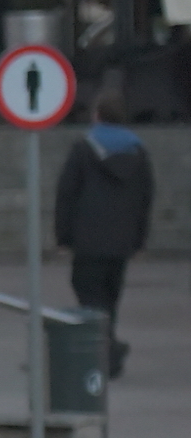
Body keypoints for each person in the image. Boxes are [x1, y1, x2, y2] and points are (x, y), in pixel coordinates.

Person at [54, 91, 154, 378]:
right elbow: (146, 197)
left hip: (87, 239)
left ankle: (107, 351)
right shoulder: (138, 152)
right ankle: (108, 348)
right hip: (122, 240)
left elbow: (67, 195)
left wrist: (63, 236)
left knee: (88, 294)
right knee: (111, 297)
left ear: (97, 115)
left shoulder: (84, 149)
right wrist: (139, 239)